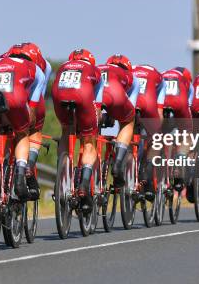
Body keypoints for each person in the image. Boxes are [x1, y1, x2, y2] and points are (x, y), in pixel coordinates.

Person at [0, 43, 46, 201]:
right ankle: (19, 177)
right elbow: (36, 98)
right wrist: (30, 112)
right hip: (15, 98)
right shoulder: (33, 66)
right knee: (21, 133)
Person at [52, 49, 103, 213]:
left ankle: (63, 174)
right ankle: (84, 185)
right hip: (83, 96)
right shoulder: (94, 70)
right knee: (89, 142)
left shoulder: (63, 66)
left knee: (66, 131)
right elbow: (98, 105)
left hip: (59, 96)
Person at [97, 54, 139, 186]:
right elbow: (130, 107)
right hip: (115, 95)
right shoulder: (130, 76)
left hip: (93, 97)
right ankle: (118, 163)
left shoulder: (98, 68)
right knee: (128, 121)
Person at [21, 42, 53, 199]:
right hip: (31, 98)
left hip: (8, 96)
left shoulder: (4, 59)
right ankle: (29, 165)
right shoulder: (44, 66)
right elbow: (40, 92)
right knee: (34, 129)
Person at [132, 64, 166, 199]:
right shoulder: (158, 76)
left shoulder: (130, 71)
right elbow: (159, 111)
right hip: (148, 104)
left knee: (128, 130)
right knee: (156, 138)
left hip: (132, 103)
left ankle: (127, 163)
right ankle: (147, 174)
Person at [161, 66, 193, 190]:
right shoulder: (185, 81)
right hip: (179, 104)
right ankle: (179, 162)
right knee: (187, 134)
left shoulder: (163, 73)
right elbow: (189, 105)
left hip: (162, 105)